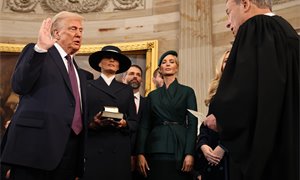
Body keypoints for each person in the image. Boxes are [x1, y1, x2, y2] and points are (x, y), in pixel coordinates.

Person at [203, 1, 299, 180]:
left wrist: (222, 118)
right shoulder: (287, 31)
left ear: (245, 4)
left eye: (228, 12)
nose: (228, 22)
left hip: (263, 155)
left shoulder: (256, 27)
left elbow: (244, 89)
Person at [0, 11, 88, 180]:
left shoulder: (77, 70)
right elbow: (19, 84)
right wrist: (40, 48)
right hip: (35, 149)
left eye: (81, 30)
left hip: (69, 153)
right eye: (73, 28)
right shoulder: (38, 53)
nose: (78, 34)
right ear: (56, 33)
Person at [136, 50, 198, 180]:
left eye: (172, 62)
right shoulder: (152, 95)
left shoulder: (187, 91)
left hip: (180, 147)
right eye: (164, 62)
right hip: (156, 147)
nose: (168, 64)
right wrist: (140, 153)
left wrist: (189, 153)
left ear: (177, 67)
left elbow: (193, 124)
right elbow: (145, 125)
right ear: (160, 70)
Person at [83, 45, 137, 180]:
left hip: (119, 149)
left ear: (119, 66)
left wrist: (125, 123)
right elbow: (79, 118)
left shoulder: (126, 90)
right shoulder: (87, 86)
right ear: (99, 63)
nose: (112, 60)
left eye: (116, 59)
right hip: (95, 147)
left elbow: (134, 122)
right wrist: (92, 123)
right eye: (108, 57)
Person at [194, 50, 230, 180]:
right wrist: (203, 146)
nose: (229, 63)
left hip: (231, 157)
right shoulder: (216, 89)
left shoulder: (245, 87)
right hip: (211, 157)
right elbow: (206, 125)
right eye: (226, 61)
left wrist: (223, 147)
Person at [122, 64, 147, 180]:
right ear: (124, 78)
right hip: (120, 155)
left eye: (138, 75)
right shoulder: (116, 101)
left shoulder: (148, 102)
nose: (135, 77)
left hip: (143, 160)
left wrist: (139, 154)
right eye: (131, 74)